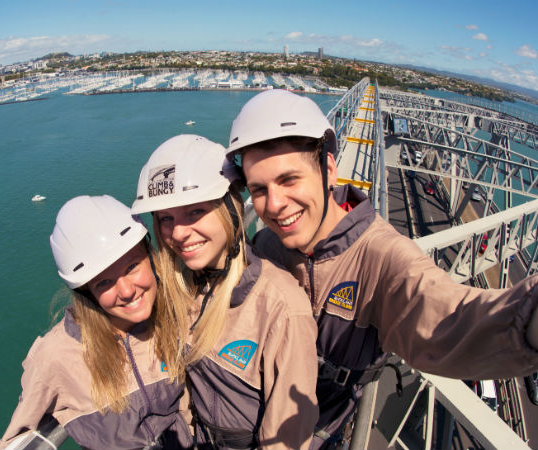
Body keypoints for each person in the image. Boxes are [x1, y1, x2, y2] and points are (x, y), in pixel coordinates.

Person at [226, 89, 538, 449]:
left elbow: (449, 317)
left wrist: (525, 317)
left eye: (289, 180)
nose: (275, 205)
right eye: (259, 189)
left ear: (329, 170)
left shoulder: (383, 258)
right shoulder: (267, 245)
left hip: (319, 433)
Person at [131, 134, 319, 450]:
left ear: (231, 210)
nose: (177, 233)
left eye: (194, 212)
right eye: (165, 218)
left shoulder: (281, 308)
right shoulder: (183, 287)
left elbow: (285, 441)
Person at [0, 195, 193, 450]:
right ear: (87, 291)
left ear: (150, 256)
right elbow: (16, 441)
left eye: (132, 267)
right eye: (104, 282)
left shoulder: (173, 312)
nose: (126, 291)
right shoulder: (57, 355)